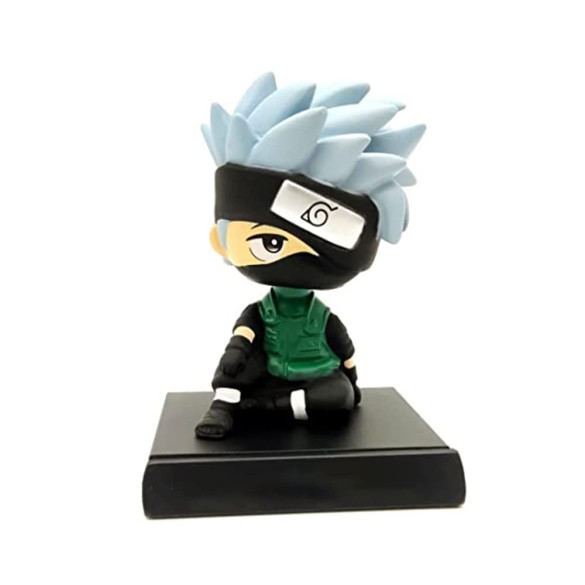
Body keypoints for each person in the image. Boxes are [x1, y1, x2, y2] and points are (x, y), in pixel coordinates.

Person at [196, 73, 425, 438]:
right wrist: (238, 352)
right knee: (234, 361)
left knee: (337, 396)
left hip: (313, 379)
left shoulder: (322, 317)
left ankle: (265, 407)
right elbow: (243, 337)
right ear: (220, 240)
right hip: (265, 371)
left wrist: (351, 380)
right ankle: (224, 404)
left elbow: (345, 351)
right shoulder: (260, 314)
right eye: (271, 242)